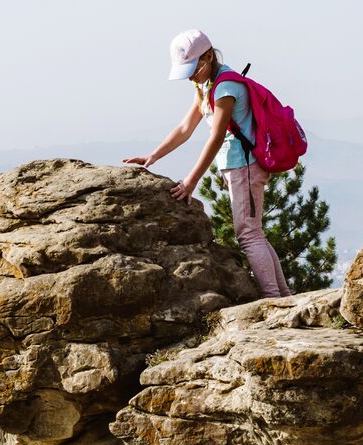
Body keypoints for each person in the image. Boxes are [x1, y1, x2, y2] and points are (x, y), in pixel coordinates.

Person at [124, 29, 291, 300]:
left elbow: (215, 138)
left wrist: (191, 181)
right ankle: (284, 297)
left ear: (209, 57)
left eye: (193, 68)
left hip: (245, 166)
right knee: (254, 232)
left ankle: (275, 300)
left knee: (248, 235)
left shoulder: (225, 87)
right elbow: (185, 127)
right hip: (239, 167)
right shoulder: (205, 86)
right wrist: (153, 156)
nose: (190, 75)